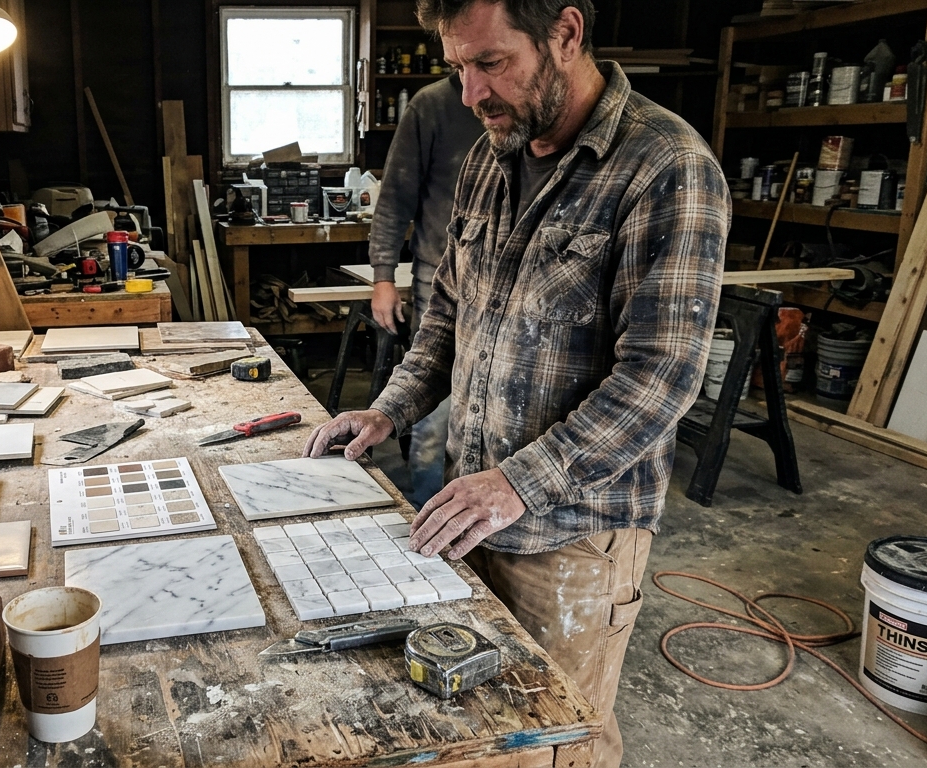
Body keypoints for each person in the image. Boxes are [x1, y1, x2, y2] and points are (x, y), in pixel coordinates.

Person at [303, 1, 730, 766]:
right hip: (472, 508)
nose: (470, 94)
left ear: (565, 34)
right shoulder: (488, 157)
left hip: (572, 536)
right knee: (483, 733)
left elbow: (660, 378)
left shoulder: (666, 165)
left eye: (491, 63)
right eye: (457, 68)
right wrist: (388, 411)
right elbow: (448, 317)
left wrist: (515, 485)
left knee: (559, 740)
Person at [368, 73, 484, 507]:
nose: (475, 90)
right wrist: (383, 276)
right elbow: (395, 197)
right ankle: (426, 511)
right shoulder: (431, 105)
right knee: (436, 411)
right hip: (439, 278)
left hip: (511, 286)